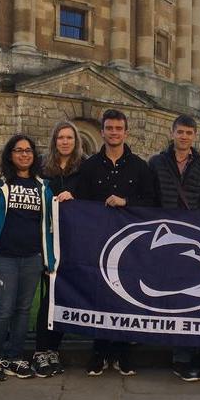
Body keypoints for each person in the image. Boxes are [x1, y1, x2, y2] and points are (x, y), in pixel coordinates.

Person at [75, 109, 156, 376]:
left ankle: (123, 354)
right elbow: (82, 205)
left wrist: (126, 202)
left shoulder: (140, 167)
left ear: (125, 132)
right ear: (103, 131)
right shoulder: (89, 167)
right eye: (109, 128)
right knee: (100, 295)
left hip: (131, 247)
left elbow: (152, 204)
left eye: (118, 129)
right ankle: (99, 352)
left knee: (127, 297)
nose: (114, 133)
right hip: (99, 243)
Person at [148, 114, 200, 382]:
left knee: (193, 297)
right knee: (175, 298)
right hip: (165, 240)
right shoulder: (156, 163)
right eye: (181, 132)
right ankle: (183, 354)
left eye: (189, 133)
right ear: (173, 132)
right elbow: (148, 198)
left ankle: (194, 352)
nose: (185, 136)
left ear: (194, 136)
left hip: (192, 239)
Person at [0, 134, 50, 382]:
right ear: (10, 154)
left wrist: (64, 199)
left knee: (24, 309)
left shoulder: (42, 185)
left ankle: (16, 356)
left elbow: (53, 216)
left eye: (28, 150)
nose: (24, 154)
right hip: (3, 256)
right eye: (18, 150)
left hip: (32, 257)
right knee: (4, 309)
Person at [33, 121, 86, 377]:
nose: (65, 142)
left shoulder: (84, 169)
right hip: (47, 240)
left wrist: (75, 199)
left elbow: (92, 200)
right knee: (48, 296)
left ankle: (51, 349)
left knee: (62, 294)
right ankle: (42, 349)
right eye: (60, 138)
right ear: (54, 141)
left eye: (69, 138)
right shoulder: (43, 169)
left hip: (75, 241)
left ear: (76, 142)